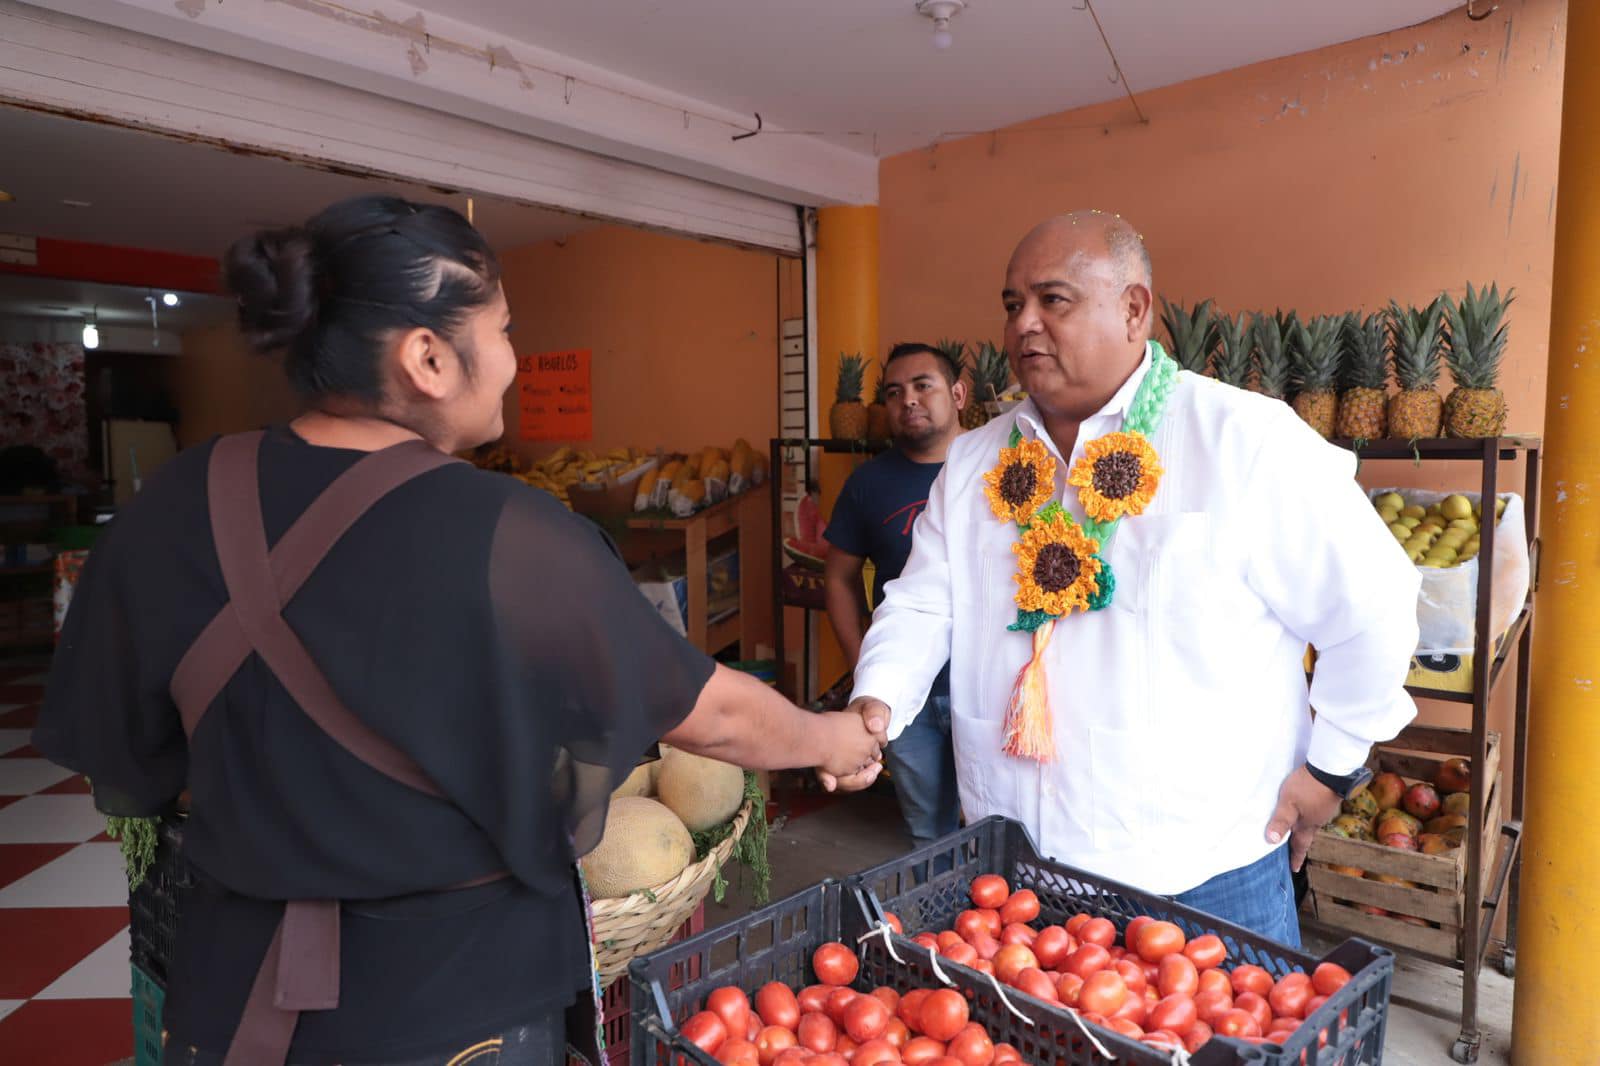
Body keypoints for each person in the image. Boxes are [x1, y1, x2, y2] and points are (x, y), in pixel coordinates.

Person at [32, 195, 883, 1066]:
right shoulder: (511, 533)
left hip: (231, 998)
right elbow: (711, 714)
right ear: (429, 357)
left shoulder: (171, 503)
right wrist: (834, 735)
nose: (512, 360)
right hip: (449, 1009)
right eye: (505, 329)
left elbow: (135, 767)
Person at [832, 211, 1420, 946]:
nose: (1024, 326)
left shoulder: (1242, 438)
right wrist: (876, 705)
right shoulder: (976, 460)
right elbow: (922, 602)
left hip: (1204, 874)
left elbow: (1374, 607)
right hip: (1016, 868)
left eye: (1055, 300)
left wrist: (1330, 772)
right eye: (1013, 305)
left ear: (1135, 309)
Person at [823, 343, 966, 848]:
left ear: (958, 393)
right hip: (907, 692)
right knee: (929, 830)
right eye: (894, 392)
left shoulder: (1000, 471)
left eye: (923, 385)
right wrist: (865, 664)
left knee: (1000, 825)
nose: (909, 399)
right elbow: (837, 578)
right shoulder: (868, 483)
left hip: (983, 683)